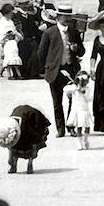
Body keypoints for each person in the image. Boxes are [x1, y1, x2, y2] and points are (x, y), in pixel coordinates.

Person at [37, 9, 72, 137]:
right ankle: (60, 128)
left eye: (69, 16)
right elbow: (41, 53)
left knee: (73, 100)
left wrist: (76, 48)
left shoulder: (73, 31)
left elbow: (81, 51)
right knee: (57, 102)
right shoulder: (49, 33)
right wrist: (48, 66)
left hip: (70, 70)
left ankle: (71, 126)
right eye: (65, 16)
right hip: (55, 72)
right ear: (58, 17)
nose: (67, 19)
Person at [64, 70, 96, 149]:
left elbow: (90, 99)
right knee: (79, 127)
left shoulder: (88, 89)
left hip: (84, 109)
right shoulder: (74, 87)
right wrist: (76, 89)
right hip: (77, 110)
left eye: (85, 81)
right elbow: (65, 89)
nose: (83, 83)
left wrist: (84, 93)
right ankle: (79, 143)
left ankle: (85, 140)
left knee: (87, 127)